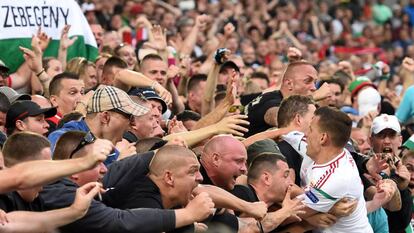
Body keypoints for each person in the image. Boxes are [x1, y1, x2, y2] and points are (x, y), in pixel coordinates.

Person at [40, 131, 216, 233]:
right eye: (95, 163)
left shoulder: (92, 189)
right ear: (75, 169)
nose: (104, 169)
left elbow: (119, 169)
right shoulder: (61, 194)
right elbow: (119, 221)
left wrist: (163, 151)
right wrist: (188, 215)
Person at [302, 106, 373, 232]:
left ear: (323, 138)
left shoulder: (335, 179)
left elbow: (287, 216)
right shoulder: (336, 152)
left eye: (311, 130)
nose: (306, 134)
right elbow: (309, 195)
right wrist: (314, 214)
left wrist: (309, 215)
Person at [48, 85, 149, 164]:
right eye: (130, 118)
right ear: (105, 117)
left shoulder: (112, 151)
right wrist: (118, 166)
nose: (131, 126)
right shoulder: (62, 138)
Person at [232, 153, 306, 232]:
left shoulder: (273, 211)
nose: (291, 183)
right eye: (286, 175)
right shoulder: (242, 193)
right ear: (266, 178)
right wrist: (285, 212)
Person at [244, 61, 318, 137]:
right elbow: (275, 116)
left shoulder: (274, 96)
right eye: (307, 81)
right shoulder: (272, 102)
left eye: (315, 82)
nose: (314, 88)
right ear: (289, 84)